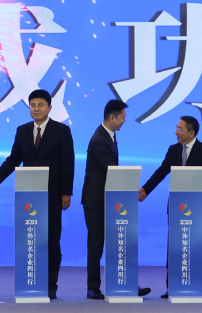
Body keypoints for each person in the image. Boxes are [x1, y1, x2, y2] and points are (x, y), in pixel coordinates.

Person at [0, 89, 74, 299]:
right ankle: (31, 280)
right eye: (33, 105)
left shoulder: (62, 131)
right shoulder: (22, 130)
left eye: (41, 105)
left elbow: (68, 164)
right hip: (28, 195)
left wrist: (66, 193)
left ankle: (50, 284)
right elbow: (14, 158)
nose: (36, 109)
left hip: (52, 195)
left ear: (49, 108)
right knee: (30, 240)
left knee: (51, 240)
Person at [138, 115, 202, 299]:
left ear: (191, 133)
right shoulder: (173, 150)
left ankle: (194, 286)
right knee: (174, 247)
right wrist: (145, 190)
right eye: (176, 127)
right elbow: (161, 172)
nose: (176, 132)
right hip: (176, 208)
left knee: (195, 246)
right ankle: (172, 286)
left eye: (179, 129)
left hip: (198, 209)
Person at [82, 99, 149, 299]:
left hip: (109, 198)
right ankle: (93, 287)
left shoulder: (109, 135)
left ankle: (126, 284)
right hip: (95, 201)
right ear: (112, 117)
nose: (124, 121)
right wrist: (133, 191)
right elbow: (112, 170)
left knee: (118, 241)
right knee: (96, 244)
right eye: (123, 117)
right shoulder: (99, 140)